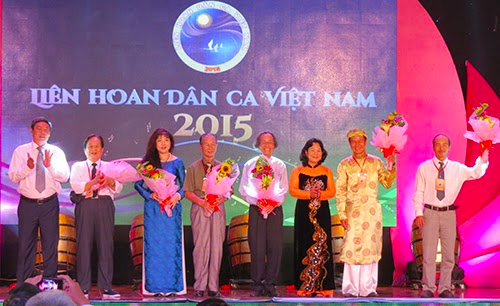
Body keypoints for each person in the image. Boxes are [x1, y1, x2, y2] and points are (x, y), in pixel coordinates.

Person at [413, 134, 489, 298]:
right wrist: (418, 213)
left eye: (444, 145)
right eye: (438, 145)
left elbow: (476, 173)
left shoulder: (457, 168)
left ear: (449, 148)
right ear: (433, 148)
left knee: (449, 255)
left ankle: (445, 288)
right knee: (428, 253)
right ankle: (428, 287)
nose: (441, 148)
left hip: (448, 213)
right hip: (430, 213)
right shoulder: (424, 167)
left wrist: (484, 155)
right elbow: (418, 192)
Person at [8, 117, 70, 285]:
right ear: (31, 131)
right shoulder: (21, 151)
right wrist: (28, 167)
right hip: (28, 204)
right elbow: (13, 176)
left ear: (49, 133)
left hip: (49, 203)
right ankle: (25, 284)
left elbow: (65, 176)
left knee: (50, 244)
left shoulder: (56, 152)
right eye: (39, 128)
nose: (43, 132)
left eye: (46, 129)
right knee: (26, 245)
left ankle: (49, 283)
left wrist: (49, 166)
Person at [335, 128, 395, 297]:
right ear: (349, 144)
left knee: (370, 247)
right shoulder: (344, 164)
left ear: (365, 142)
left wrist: (391, 166)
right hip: (352, 211)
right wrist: (342, 214)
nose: (357, 144)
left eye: (360, 140)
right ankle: (351, 288)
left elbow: (387, 183)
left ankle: (368, 288)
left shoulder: (375, 162)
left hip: (371, 211)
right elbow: (340, 191)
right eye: (353, 141)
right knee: (352, 249)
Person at [69, 134, 122, 298]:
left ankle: (106, 286)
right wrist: (94, 182)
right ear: (85, 149)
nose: (94, 149)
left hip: (105, 203)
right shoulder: (78, 166)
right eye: (90, 146)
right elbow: (75, 186)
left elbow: (119, 187)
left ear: (102, 150)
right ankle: (83, 286)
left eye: (97, 146)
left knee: (106, 246)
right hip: (85, 205)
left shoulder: (110, 166)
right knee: (84, 245)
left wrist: (111, 182)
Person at [134, 128, 186, 295]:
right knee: (155, 247)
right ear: (154, 143)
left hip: (171, 208)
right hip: (154, 209)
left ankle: (172, 287)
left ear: (171, 143)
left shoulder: (178, 162)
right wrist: (151, 194)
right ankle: (154, 288)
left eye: (166, 140)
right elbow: (137, 185)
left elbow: (185, 187)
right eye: (159, 140)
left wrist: (176, 196)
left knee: (171, 247)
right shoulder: (148, 163)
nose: (163, 143)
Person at [239, 131, 288, 297]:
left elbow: (283, 188)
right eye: (263, 142)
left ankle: (271, 283)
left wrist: (272, 204)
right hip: (256, 209)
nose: (267, 145)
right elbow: (244, 188)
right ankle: (257, 284)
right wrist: (257, 201)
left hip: (274, 210)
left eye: (270, 142)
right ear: (258, 145)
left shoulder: (280, 165)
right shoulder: (250, 164)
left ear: (274, 145)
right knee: (257, 247)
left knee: (275, 247)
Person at [184, 133, 229, 298]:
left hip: (217, 208)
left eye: (213, 144)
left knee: (216, 247)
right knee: (201, 247)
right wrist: (203, 203)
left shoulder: (223, 168)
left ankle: (213, 286)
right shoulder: (193, 167)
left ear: (216, 146)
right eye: (206, 144)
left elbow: (228, 191)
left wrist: (219, 199)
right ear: (200, 147)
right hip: (200, 207)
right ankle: (200, 285)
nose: (209, 147)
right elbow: (188, 192)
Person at [289, 138, 336, 296]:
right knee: (303, 244)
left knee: (323, 245)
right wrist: (308, 194)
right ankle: (305, 287)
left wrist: (319, 195)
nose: (316, 153)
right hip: (303, 212)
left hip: (322, 212)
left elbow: (331, 192)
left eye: (319, 150)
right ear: (305, 152)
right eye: (312, 150)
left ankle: (324, 287)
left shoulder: (327, 171)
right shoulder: (298, 170)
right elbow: (293, 191)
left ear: (322, 153)